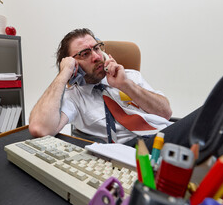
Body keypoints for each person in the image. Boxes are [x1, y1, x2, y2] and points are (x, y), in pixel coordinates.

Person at [29, 28, 198, 150]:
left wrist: (125, 85)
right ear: (73, 64)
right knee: (220, 108)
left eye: (96, 48)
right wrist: (63, 73)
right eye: (85, 54)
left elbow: (165, 113)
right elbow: (40, 128)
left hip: (167, 135)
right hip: (136, 151)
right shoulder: (74, 97)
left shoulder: (130, 76)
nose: (96, 56)